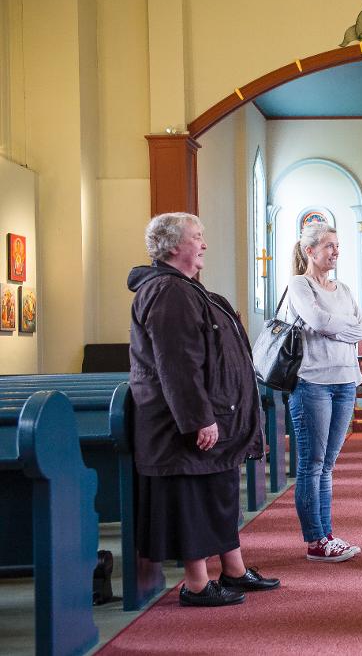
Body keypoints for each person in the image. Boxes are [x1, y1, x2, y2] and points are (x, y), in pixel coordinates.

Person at [128, 212, 279, 607]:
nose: (204, 245)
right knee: (193, 499)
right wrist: (199, 418)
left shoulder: (186, 289)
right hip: (183, 426)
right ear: (175, 246)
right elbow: (177, 363)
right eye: (198, 237)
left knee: (218, 493)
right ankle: (196, 584)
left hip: (214, 416)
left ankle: (233, 568)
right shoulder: (167, 291)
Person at [287, 222, 362, 562]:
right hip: (312, 382)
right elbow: (318, 322)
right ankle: (315, 540)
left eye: (338, 246)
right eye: (330, 246)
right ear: (310, 251)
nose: (336, 251)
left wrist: (334, 330)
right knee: (312, 463)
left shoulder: (345, 289)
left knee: (328, 464)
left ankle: (327, 534)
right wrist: (340, 329)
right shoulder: (299, 284)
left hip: (346, 380)